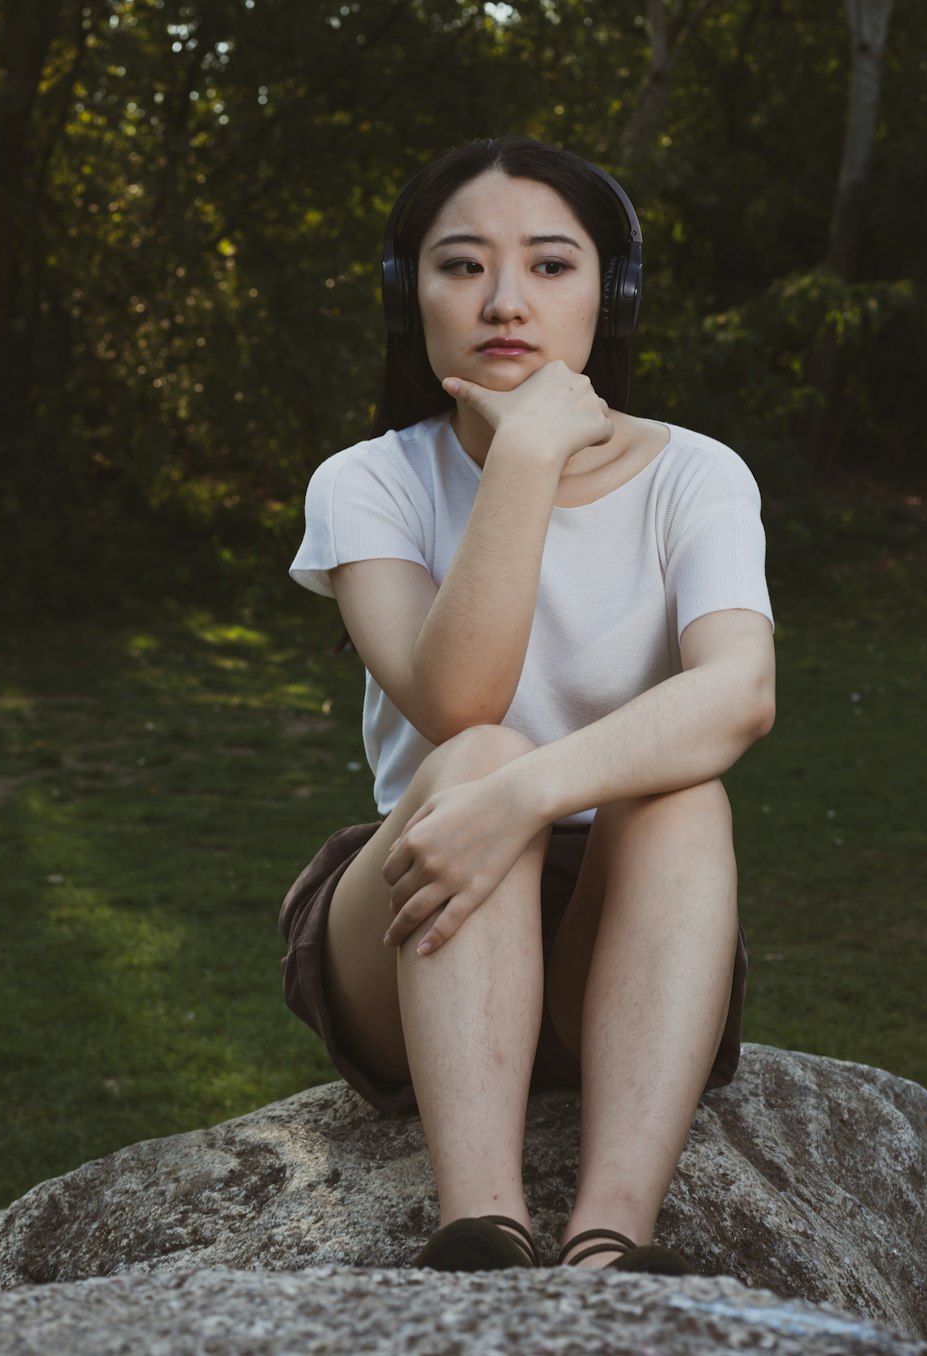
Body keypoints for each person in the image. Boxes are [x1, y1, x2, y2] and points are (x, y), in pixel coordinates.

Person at [279, 135, 775, 1274]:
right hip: (418, 910)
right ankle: (483, 1229)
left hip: (636, 924)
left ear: (613, 291)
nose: (505, 301)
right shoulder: (370, 481)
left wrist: (536, 794)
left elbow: (739, 693)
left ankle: (611, 1239)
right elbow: (460, 699)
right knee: (476, 754)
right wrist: (526, 459)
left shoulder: (697, 474)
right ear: (413, 299)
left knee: (680, 794)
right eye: (461, 267)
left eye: (551, 266)